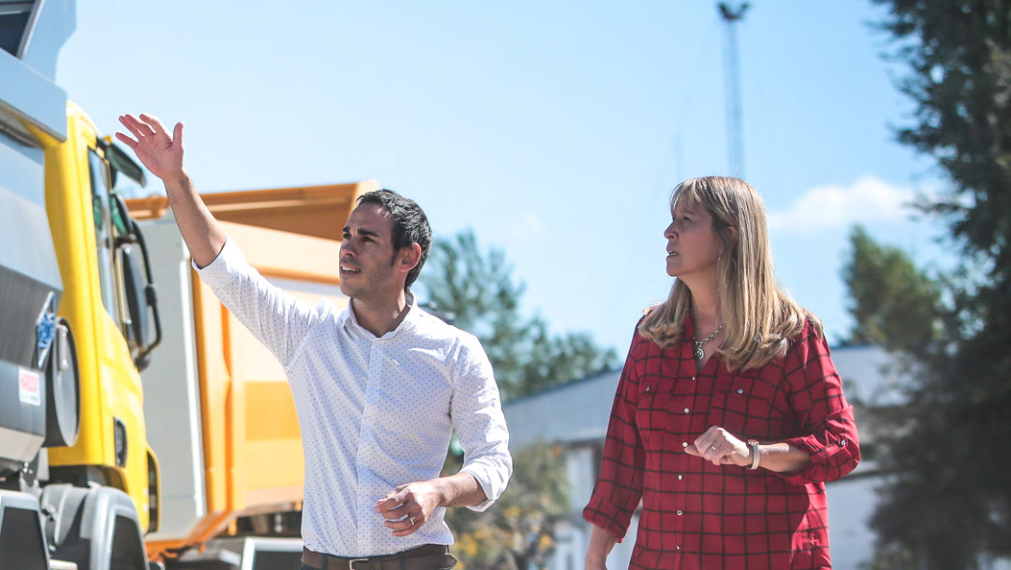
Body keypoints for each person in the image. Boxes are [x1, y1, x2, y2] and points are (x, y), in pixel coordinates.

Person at [115, 114, 510, 570]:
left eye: (366, 239)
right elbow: (225, 269)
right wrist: (176, 180)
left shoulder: (455, 353)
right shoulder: (307, 336)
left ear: (408, 256)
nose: (347, 248)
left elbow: (493, 462)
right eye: (346, 235)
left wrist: (439, 490)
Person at [582, 176, 861, 569]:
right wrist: (595, 557)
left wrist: (753, 454)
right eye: (671, 219)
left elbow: (842, 446)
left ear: (729, 236)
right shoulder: (650, 338)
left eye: (687, 219)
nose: (669, 231)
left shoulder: (793, 335)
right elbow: (621, 460)